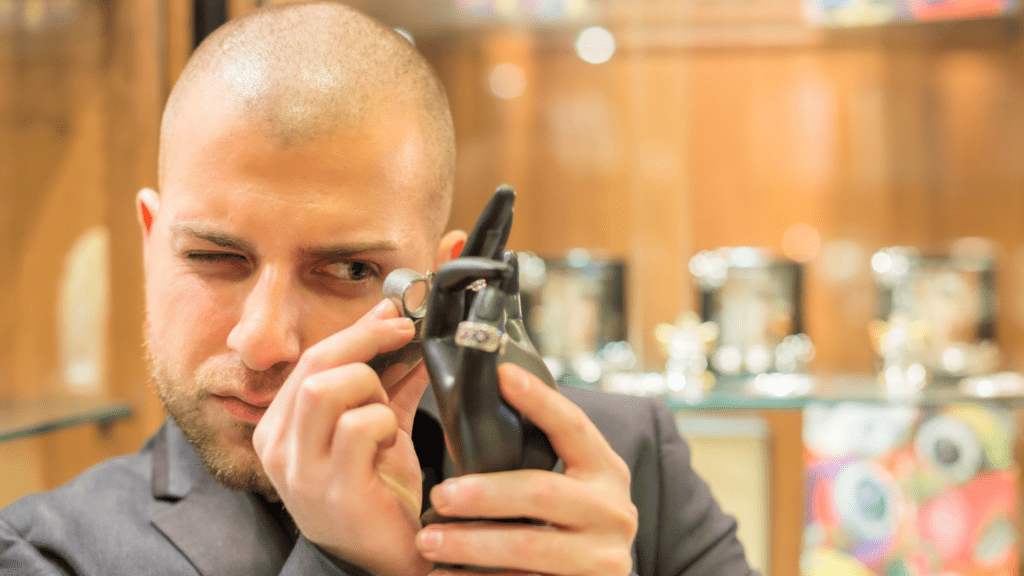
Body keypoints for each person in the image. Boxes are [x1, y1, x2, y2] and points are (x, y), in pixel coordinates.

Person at [0, 2, 757, 575]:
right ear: (150, 241)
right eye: (212, 256)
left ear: (443, 282)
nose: (263, 339)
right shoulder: (46, 551)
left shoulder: (625, 467)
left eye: (349, 271)